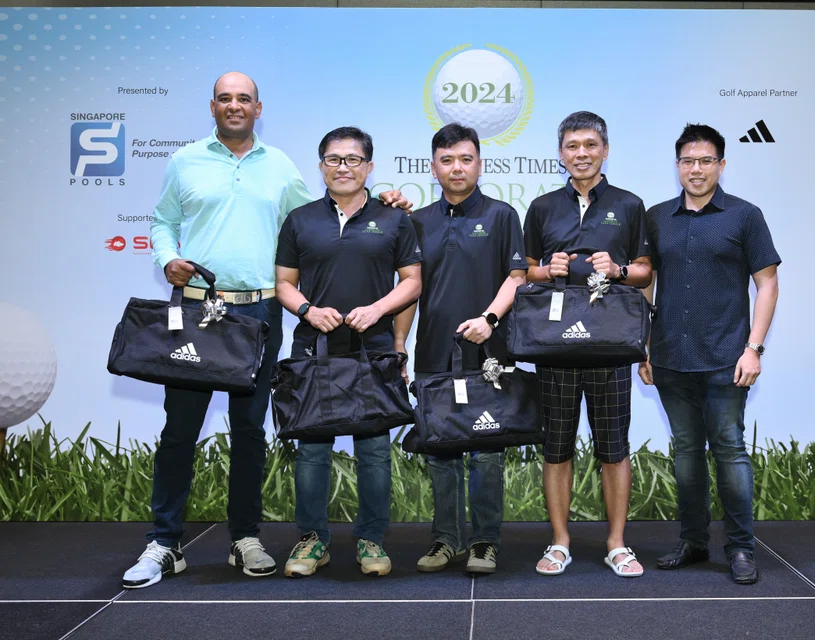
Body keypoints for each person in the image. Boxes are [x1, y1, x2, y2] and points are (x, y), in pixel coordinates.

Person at [124, 73, 409, 590]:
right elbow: (162, 222)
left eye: (244, 99)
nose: (234, 105)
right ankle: (164, 543)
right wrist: (167, 258)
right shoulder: (184, 160)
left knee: (250, 431)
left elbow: (327, 212)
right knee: (179, 432)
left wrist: (385, 199)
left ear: (258, 108)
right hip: (198, 310)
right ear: (213, 106)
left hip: (258, 313)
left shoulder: (279, 166)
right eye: (225, 98)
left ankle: (245, 539)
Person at [275, 126, 422, 578]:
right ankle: (312, 539)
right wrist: (307, 310)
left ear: (369, 167)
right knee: (312, 451)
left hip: (372, 350)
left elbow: (412, 282)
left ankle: (371, 538)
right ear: (321, 166)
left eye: (353, 159)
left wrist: (378, 309)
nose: (343, 167)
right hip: (313, 349)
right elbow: (284, 283)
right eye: (334, 159)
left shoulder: (394, 219)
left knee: (374, 451)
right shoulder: (299, 220)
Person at [639, 123, 780, 585]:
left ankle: (740, 548)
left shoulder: (744, 216)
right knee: (686, 454)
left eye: (705, 161)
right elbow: (646, 285)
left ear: (721, 164)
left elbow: (767, 284)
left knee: (730, 452)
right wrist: (643, 347)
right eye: (687, 161)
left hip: (726, 359)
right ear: (677, 165)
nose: (695, 169)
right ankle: (694, 541)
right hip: (669, 357)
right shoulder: (657, 217)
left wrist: (753, 348)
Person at [394, 123, 527, 575]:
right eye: (447, 160)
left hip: (490, 355)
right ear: (433, 168)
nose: (457, 168)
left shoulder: (502, 215)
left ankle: (485, 542)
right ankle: (446, 540)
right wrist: (400, 345)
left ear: (479, 165)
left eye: (465, 159)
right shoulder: (417, 221)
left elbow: (516, 278)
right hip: (434, 353)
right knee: (441, 450)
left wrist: (489, 319)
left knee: (487, 453)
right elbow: (410, 291)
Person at [525, 111, 652, 578]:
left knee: (613, 448)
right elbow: (525, 272)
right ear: (560, 154)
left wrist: (618, 269)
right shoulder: (542, 207)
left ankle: (616, 543)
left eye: (590, 145)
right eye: (572, 146)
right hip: (555, 347)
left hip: (610, 346)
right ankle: (560, 541)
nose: (582, 154)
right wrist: (547, 270)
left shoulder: (630, 204)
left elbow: (645, 271)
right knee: (556, 448)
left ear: (606, 150)